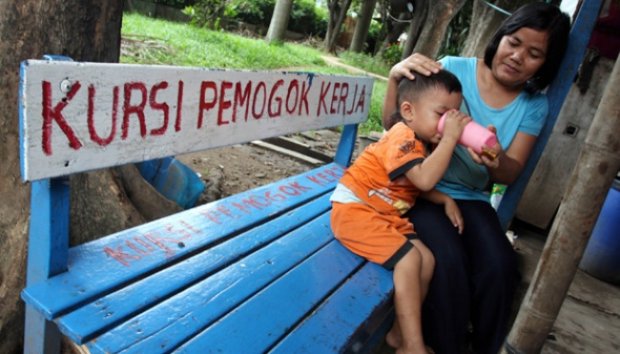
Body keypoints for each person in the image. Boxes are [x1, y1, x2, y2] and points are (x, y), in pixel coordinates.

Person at [382, 3, 571, 354]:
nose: (517, 57)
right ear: (500, 37)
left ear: (546, 63)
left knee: (500, 266)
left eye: (533, 54)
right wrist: (395, 76)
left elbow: (511, 171)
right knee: (448, 262)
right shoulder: (452, 69)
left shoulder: (533, 106)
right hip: (421, 190)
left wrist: (495, 160)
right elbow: (394, 124)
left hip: (471, 198)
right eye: (513, 42)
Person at [330, 70, 470, 354]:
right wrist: (450, 140)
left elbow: (411, 181)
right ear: (408, 110)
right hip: (356, 209)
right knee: (409, 261)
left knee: (427, 260)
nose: (446, 125)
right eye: (442, 115)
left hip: (384, 214)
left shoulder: (420, 140)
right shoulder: (403, 135)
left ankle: (398, 336)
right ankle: (414, 347)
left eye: (452, 117)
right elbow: (423, 178)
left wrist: (442, 198)